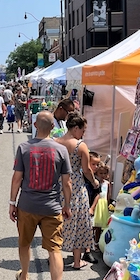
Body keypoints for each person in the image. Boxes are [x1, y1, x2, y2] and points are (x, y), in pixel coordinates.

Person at [9, 111, 72, 280]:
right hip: (52, 207)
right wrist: (67, 205)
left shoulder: (24, 148)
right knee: (55, 250)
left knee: (24, 243)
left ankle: (25, 277)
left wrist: (12, 202)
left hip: (27, 205)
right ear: (53, 127)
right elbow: (67, 183)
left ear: (35, 124)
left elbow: (17, 178)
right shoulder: (61, 150)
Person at [56, 114, 97, 269]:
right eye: (83, 130)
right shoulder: (81, 145)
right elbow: (86, 169)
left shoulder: (56, 142)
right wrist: (94, 182)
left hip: (58, 184)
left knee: (57, 221)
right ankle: (77, 261)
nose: (83, 134)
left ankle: (54, 256)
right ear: (75, 128)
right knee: (79, 221)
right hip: (76, 184)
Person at [91, 163, 111, 246]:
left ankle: (97, 242)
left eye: (105, 173)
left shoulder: (107, 183)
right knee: (93, 224)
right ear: (96, 173)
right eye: (101, 173)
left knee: (100, 225)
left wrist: (108, 205)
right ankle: (89, 241)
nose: (103, 175)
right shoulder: (96, 183)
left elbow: (108, 195)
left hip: (103, 204)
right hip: (97, 204)